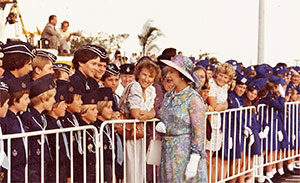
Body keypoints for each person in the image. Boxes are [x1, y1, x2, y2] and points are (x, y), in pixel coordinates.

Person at [156, 55, 207, 182]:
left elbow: (199, 130)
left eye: (172, 72)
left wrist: (195, 157)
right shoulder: (168, 96)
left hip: (184, 151)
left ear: (182, 76)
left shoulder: (193, 98)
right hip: (168, 152)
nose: (169, 76)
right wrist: (160, 126)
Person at [119, 57, 161, 183]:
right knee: (132, 167)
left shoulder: (151, 89)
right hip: (129, 132)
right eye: (144, 74)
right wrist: (149, 114)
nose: (146, 79)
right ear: (138, 73)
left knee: (142, 167)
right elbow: (136, 113)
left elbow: (152, 111)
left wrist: (149, 114)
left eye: (150, 76)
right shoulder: (134, 86)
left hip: (141, 133)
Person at [21, 74, 56, 182]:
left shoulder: (42, 117)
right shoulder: (27, 117)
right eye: (52, 98)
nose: (54, 101)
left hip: (42, 161)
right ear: (43, 98)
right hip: (33, 163)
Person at [0, 76, 30, 182]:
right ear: (15, 100)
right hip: (11, 168)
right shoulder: (5, 120)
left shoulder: (18, 118)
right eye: (26, 98)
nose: (29, 101)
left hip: (20, 168)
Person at [45, 85, 69, 183]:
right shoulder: (49, 124)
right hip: (54, 166)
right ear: (54, 107)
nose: (66, 106)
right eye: (63, 104)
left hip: (62, 165)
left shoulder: (60, 123)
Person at [77, 90, 99, 183]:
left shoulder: (94, 127)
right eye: (93, 109)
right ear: (83, 112)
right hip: (83, 168)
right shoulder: (80, 128)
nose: (97, 112)